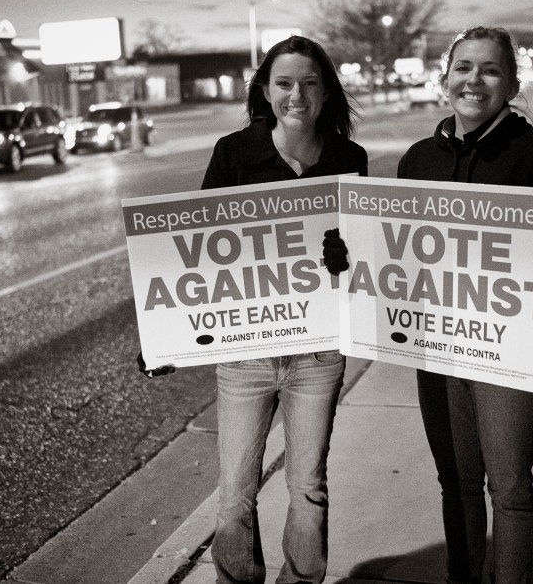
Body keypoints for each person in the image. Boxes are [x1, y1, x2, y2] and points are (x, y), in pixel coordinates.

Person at [323, 26, 533, 584]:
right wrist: (345, 251)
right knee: (455, 482)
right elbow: (392, 253)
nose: (474, 80)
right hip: (438, 348)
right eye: (464, 68)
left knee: (509, 487)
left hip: (509, 353)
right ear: (446, 77)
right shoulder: (418, 159)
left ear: (511, 83)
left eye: (490, 69)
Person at [142, 35, 368, 584]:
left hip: (318, 353)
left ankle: (302, 579)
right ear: (265, 90)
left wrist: (349, 252)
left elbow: (369, 260)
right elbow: (195, 251)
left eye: (310, 83)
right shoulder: (234, 153)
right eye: (285, 83)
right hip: (247, 354)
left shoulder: (348, 159)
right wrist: (163, 335)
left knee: (307, 487)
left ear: (327, 91)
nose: (297, 95)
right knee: (235, 494)